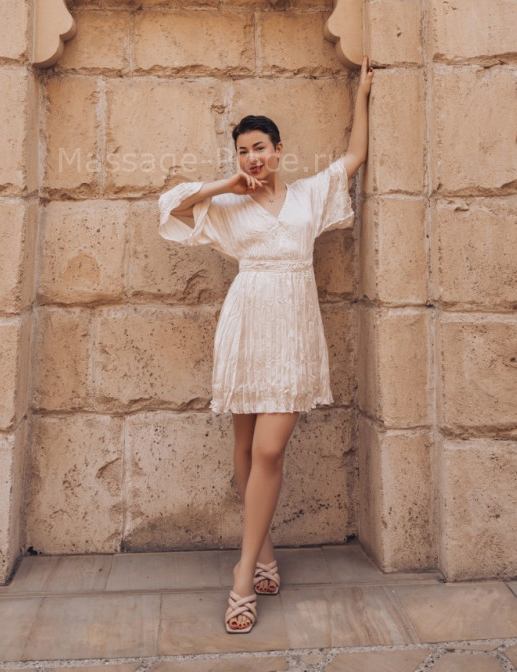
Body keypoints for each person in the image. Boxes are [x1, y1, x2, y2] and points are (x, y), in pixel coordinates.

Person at [158, 55, 373, 633]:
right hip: (248, 322)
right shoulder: (229, 205)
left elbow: (354, 157)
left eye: (260, 147)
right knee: (246, 446)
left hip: (293, 327)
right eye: (243, 150)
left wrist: (361, 94)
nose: (253, 157)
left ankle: (241, 574)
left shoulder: (308, 195)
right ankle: (265, 553)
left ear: (279, 150)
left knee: (269, 450)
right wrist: (226, 184)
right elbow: (172, 208)